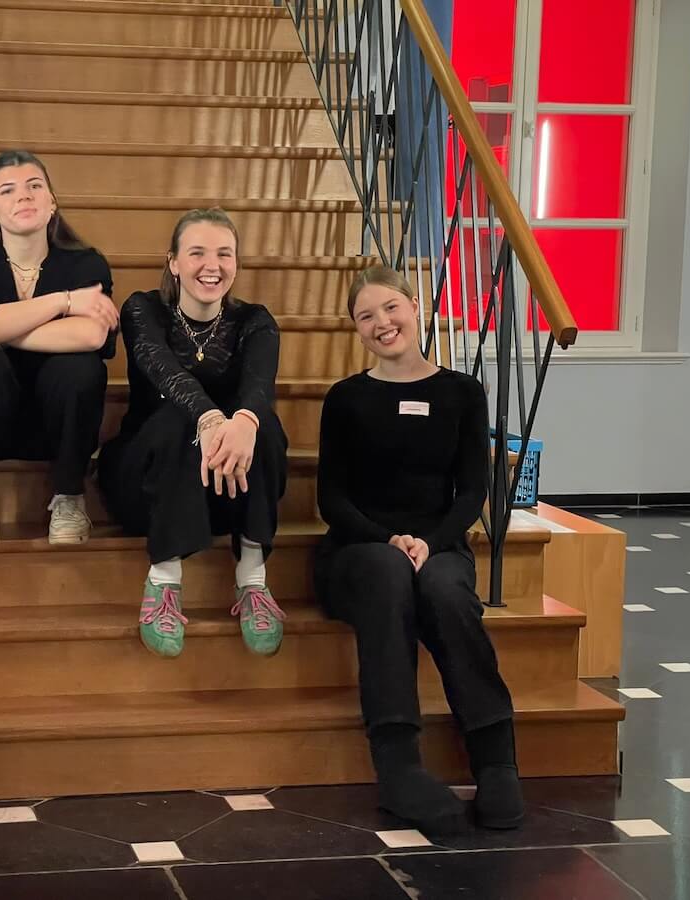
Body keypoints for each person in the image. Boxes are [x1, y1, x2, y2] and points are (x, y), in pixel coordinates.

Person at [314, 265, 524, 834]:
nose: (382, 322)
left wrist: (429, 543)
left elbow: (473, 491)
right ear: (356, 330)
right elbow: (331, 499)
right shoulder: (345, 398)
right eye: (366, 316)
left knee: (446, 592)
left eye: (391, 307)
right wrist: (389, 540)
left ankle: (495, 759)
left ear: (416, 307)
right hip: (359, 549)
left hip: (440, 545)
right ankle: (399, 767)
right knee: (389, 573)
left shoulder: (462, 392)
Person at [98, 208, 288, 658]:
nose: (212, 265)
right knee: (176, 418)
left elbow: (259, 384)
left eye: (224, 254)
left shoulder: (255, 321)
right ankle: (164, 581)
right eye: (198, 253)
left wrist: (244, 422)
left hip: (224, 487)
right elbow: (166, 373)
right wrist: (211, 419)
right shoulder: (143, 309)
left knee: (262, 423)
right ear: (174, 262)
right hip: (150, 484)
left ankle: (252, 580)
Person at [0, 150, 119, 546]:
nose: (24, 196)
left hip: (53, 423)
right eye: (8, 190)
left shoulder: (85, 262)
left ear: (52, 202)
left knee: (82, 368)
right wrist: (63, 303)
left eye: (35, 186)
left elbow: (93, 336)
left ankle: (69, 497)